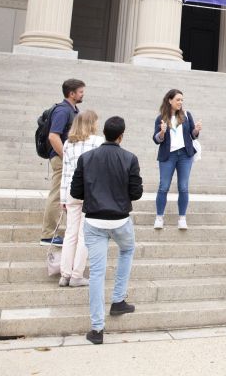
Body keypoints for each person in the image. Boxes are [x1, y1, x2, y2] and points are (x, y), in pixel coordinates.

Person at [69, 116, 143, 345]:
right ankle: (118, 299)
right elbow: (136, 193)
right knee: (127, 250)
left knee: (97, 273)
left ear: (104, 133)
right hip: (120, 220)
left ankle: (97, 329)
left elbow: (76, 192)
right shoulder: (130, 158)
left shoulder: (86, 158)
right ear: (121, 136)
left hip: (94, 220)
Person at [58, 110, 103, 288]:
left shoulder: (68, 143)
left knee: (70, 233)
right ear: (91, 123)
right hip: (91, 191)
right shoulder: (98, 142)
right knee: (85, 234)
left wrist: (62, 197)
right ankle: (77, 274)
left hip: (71, 190)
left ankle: (65, 274)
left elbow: (65, 172)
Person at [40, 78, 85, 246]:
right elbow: (53, 136)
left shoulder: (73, 110)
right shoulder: (63, 111)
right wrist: (66, 157)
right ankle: (48, 235)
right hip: (61, 159)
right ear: (71, 94)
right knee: (57, 195)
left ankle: (68, 231)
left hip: (66, 159)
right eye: (80, 92)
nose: (83, 94)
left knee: (66, 194)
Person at [152, 89, 202, 230]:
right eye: (178, 99)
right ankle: (159, 217)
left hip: (185, 155)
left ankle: (182, 218)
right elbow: (156, 139)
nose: (180, 102)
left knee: (183, 187)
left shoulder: (186, 115)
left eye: (182, 100)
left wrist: (196, 130)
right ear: (170, 100)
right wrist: (162, 132)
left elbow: (192, 134)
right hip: (168, 155)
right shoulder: (161, 118)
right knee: (163, 186)